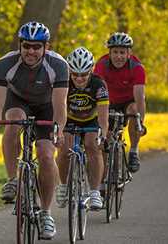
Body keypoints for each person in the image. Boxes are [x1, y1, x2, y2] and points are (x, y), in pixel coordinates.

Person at [0, 21, 69, 240]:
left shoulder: (58, 65)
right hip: (18, 101)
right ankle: (13, 179)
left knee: (46, 155)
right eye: (26, 46)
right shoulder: (5, 64)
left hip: (47, 106)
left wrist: (59, 131)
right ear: (20, 45)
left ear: (45, 47)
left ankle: (46, 213)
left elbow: (60, 105)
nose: (31, 51)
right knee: (13, 122)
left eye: (36, 47)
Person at [55, 47, 109, 211]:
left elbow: (103, 117)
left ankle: (94, 192)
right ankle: (63, 186)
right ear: (69, 71)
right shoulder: (63, 82)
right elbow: (57, 107)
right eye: (75, 74)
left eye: (83, 75)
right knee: (64, 151)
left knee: (93, 146)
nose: (79, 79)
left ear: (91, 71)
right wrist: (58, 131)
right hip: (69, 120)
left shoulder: (98, 84)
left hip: (91, 121)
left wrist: (103, 136)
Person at [93, 32, 147, 173]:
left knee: (134, 111)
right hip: (108, 102)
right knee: (106, 139)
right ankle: (105, 180)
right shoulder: (101, 65)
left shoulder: (137, 68)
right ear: (109, 53)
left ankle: (134, 151)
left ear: (129, 53)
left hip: (128, 102)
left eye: (122, 52)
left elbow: (140, 96)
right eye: (115, 52)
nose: (118, 56)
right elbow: (99, 92)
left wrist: (140, 122)